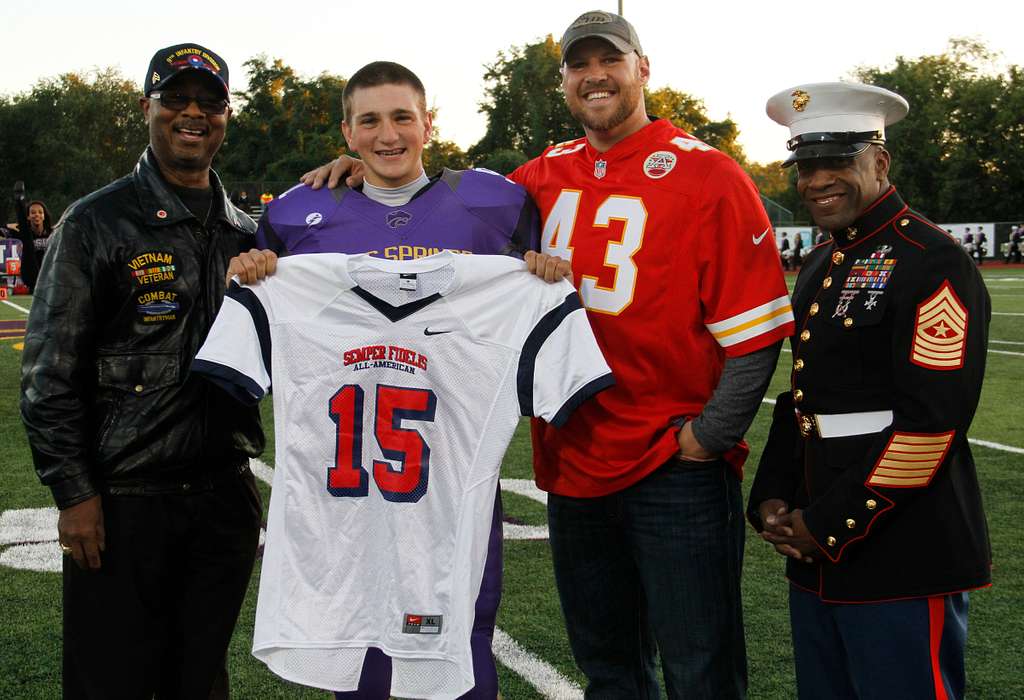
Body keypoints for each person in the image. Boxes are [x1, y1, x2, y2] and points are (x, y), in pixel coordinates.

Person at [304, 12, 794, 698]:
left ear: (641, 69)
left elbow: (757, 334)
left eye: (609, 60)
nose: (595, 75)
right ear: (563, 79)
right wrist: (372, 170)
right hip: (571, 464)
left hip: (670, 465)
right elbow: (434, 207)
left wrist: (708, 439)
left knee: (700, 673)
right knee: (609, 669)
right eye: (578, 64)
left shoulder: (709, 174)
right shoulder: (540, 176)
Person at [20, 43, 264, 699]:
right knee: (109, 685)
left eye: (208, 102)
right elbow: (49, 375)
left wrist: (349, 173)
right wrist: (74, 492)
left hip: (222, 501)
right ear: (146, 107)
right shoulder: (95, 222)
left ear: (226, 115)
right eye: (175, 99)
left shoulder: (247, 232)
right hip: (124, 505)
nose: (192, 113)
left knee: (200, 684)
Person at [750, 82, 991, 700]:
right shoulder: (819, 262)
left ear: (879, 162)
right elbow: (804, 397)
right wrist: (774, 496)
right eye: (806, 165)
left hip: (898, 549)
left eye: (838, 161)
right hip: (815, 552)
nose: (816, 180)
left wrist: (828, 524)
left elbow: (929, 425)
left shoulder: (932, 260)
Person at [12, 197, 54, 292]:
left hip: (50, 276)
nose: (37, 215)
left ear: (44, 216)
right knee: (26, 237)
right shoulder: (22, 232)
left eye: (40, 212)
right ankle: (19, 201)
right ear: (28, 216)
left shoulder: (53, 232)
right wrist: (6, 226)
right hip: (31, 277)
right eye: (33, 213)